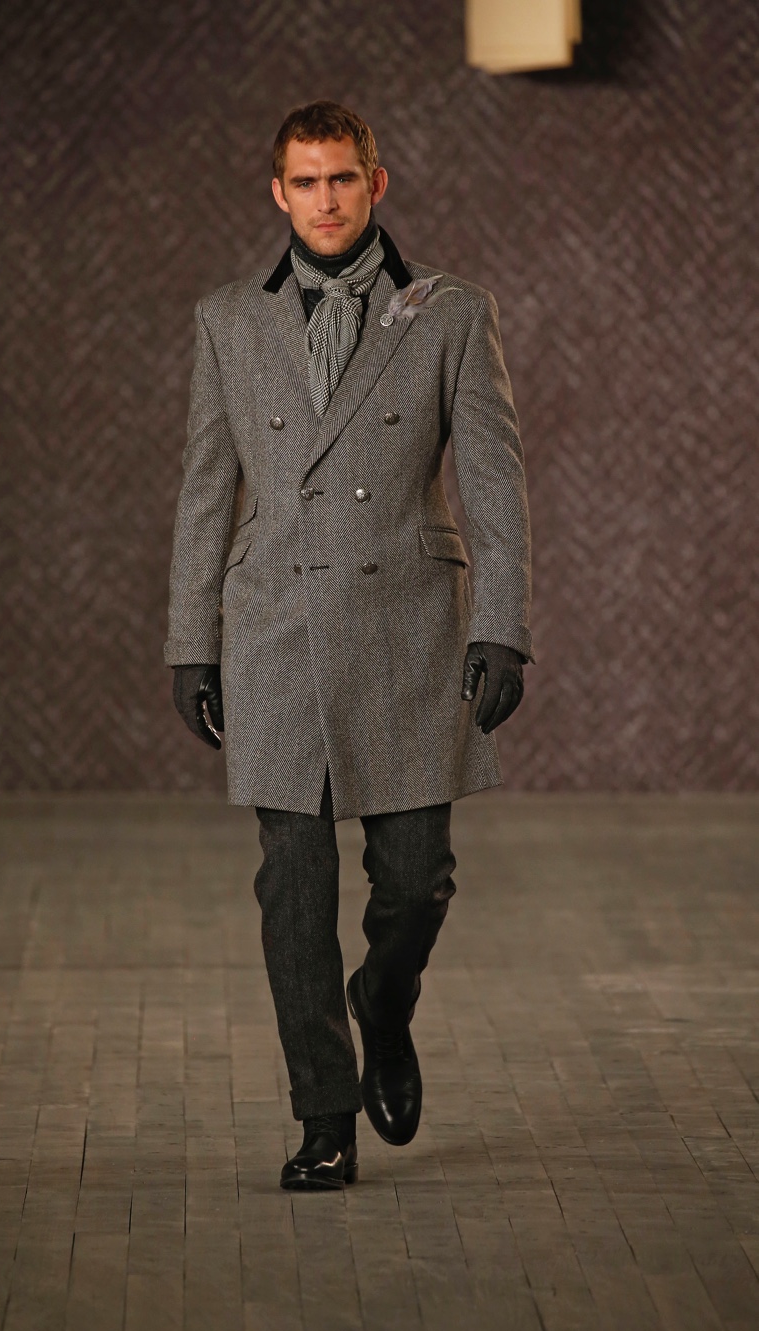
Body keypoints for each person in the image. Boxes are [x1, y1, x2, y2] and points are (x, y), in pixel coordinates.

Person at [166, 101, 534, 1191]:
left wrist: (503, 625)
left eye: (342, 179)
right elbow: (205, 487)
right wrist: (191, 640)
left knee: (416, 880)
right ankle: (324, 1116)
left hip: (408, 625)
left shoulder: (451, 312)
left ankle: (385, 998)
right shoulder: (229, 320)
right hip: (275, 625)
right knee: (293, 887)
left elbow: (496, 482)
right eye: (305, 181)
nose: (324, 200)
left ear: (377, 184)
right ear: (277, 192)